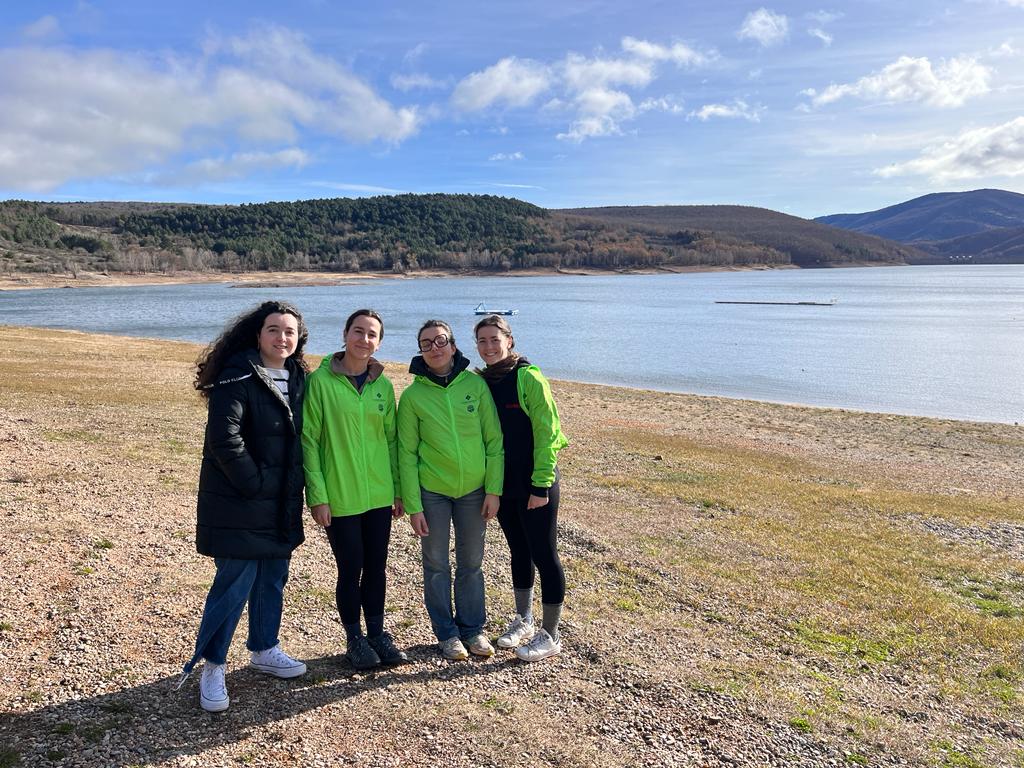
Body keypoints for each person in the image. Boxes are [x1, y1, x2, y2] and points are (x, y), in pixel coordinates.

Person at [181, 300, 309, 713]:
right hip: (241, 499)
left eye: (289, 331)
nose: (282, 338)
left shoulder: (299, 376)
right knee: (234, 582)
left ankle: (264, 648)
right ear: (259, 335)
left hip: (281, 500)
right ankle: (213, 665)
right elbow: (224, 438)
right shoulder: (238, 373)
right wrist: (253, 483)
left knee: (273, 575)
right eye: (274, 330)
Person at [302, 309, 408, 670]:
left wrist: (398, 490)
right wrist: (317, 496)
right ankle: (354, 639)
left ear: (379, 342)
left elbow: (392, 441)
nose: (364, 340)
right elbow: (310, 442)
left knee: (377, 567)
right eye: (358, 332)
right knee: (351, 568)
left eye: (372, 334)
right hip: (341, 494)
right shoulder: (320, 382)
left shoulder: (382, 385)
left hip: (379, 494)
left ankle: (377, 634)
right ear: (345, 334)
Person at [397, 320, 504, 660]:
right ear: (421, 352)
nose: (435, 348)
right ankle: (446, 633)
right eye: (426, 343)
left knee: (471, 562)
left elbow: (494, 442)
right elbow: (406, 454)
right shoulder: (413, 396)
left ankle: (472, 629)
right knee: (436, 564)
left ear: (454, 346)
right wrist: (414, 506)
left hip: (475, 490)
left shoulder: (475, 385)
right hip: (433, 493)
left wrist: (493, 489)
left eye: (440, 341)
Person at [474, 314, 568, 662]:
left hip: (536, 483)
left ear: (509, 341)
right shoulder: (483, 382)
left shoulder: (528, 378)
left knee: (544, 554)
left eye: (494, 339)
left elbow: (549, 435)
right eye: (481, 341)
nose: (488, 346)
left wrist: (541, 485)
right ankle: (524, 620)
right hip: (504, 484)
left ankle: (551, 634)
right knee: (518, 551)